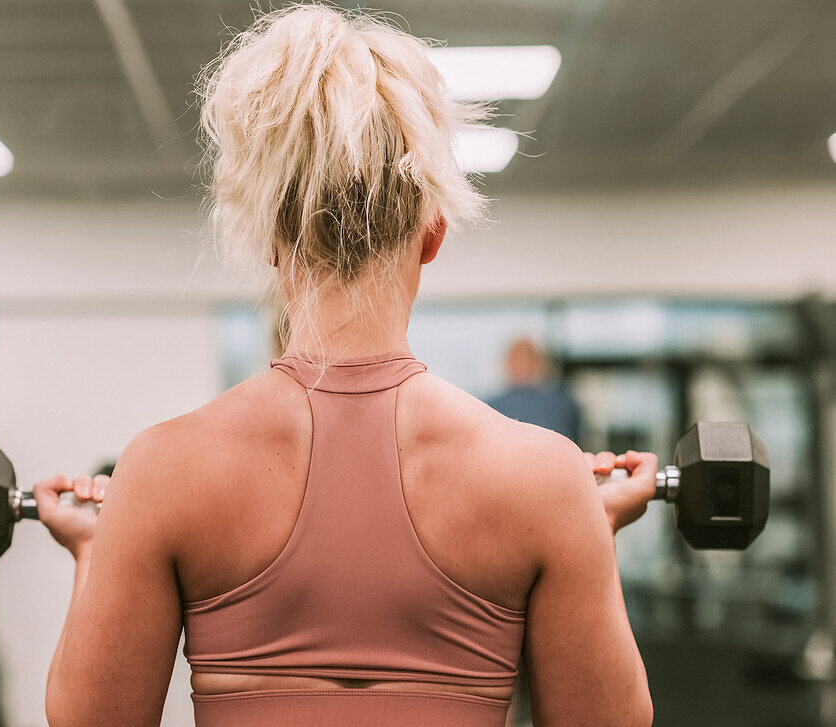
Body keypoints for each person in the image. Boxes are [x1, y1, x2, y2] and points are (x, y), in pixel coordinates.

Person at [36, 6, 656, 726]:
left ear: (271, 238)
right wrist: (585, 534)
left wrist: (95, 551)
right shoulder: (546, 481)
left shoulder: (162, 471)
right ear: (433, 236)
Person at [488, 338, 582, 443]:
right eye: (518, 360)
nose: (522, 365)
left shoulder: (563, 405)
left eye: (526, 359)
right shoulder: (564, 403)